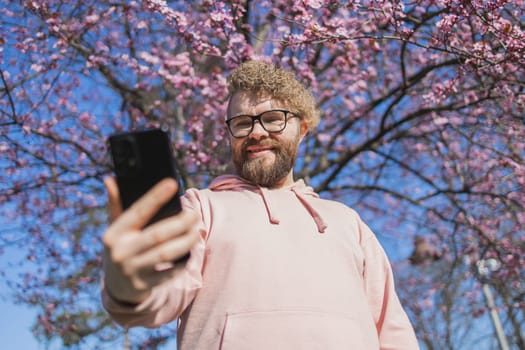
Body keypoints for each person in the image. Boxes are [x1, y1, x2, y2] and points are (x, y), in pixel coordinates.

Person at [101, 60, 420, 349]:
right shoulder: (201, 208)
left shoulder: (348, 222)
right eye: (242, 123)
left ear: (303, 128)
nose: (256, 132)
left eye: (272, 119)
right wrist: (131, 281)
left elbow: (392, 331)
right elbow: (160, 293)